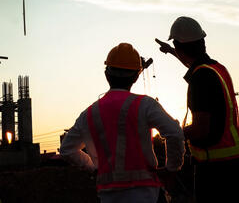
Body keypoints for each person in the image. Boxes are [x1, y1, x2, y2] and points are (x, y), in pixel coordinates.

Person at [60, 43, 185, 203]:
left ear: (106, 74)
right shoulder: (145, 105)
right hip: (147, 194)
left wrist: (94, 167)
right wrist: (171, 169)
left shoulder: (89, 114)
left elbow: (67, 150)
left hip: (108, 195)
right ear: (136, 76)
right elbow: (174, 133)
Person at [155, 16, 239, 203]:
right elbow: (191, 61)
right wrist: (172, 51)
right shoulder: (216, 68)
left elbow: (200, 129)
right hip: (235, 166)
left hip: (215, 171)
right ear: (202, 42)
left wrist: (174, 133)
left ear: (182, 48)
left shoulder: (200, 79)